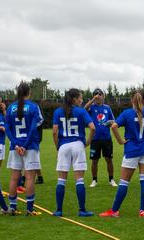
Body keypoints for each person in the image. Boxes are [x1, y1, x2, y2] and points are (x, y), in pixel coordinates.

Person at [99, 91, 144, 217]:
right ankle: (142, 211)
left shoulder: (127, 113)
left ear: (132, 101)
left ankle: (114, 211)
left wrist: (120, 141)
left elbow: (113, 126)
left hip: (132, 150)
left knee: (124, 182)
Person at [52, 88, 95, 217]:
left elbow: (54, 132)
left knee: (61, 180)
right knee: (79, 180)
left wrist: (57, 146)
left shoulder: (58, 111)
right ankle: (82, 210)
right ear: (74, 99)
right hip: (78, 145)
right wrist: (88, 142)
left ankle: (59, 210)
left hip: (63, 146)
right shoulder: (81, 111)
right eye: (80, 98)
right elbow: (93, 128)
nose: (82, 100)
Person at [5, 82, 44, 216]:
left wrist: (16, 144)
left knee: (14, 177)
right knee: (29, 178)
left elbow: (7, 129)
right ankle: (29, 209)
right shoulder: (33, 107)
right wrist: (25, 145)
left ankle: (12, 207)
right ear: (29, 92)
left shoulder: (10, 108)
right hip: (30, 146)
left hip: (15, 148)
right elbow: (34, 128)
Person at [84, 88, 117, 188]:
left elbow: (113, 120)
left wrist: (109, 122)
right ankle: (94, 180)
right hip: (95, 139)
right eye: (96, 94)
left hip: (106, 138)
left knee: (109, 159)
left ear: (103, 96)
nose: (98, 96)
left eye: (100, 94)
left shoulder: (107, 108)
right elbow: (84, 109)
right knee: (94, 160)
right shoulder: (91, 107)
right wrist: (93, 99)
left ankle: (111, 179)